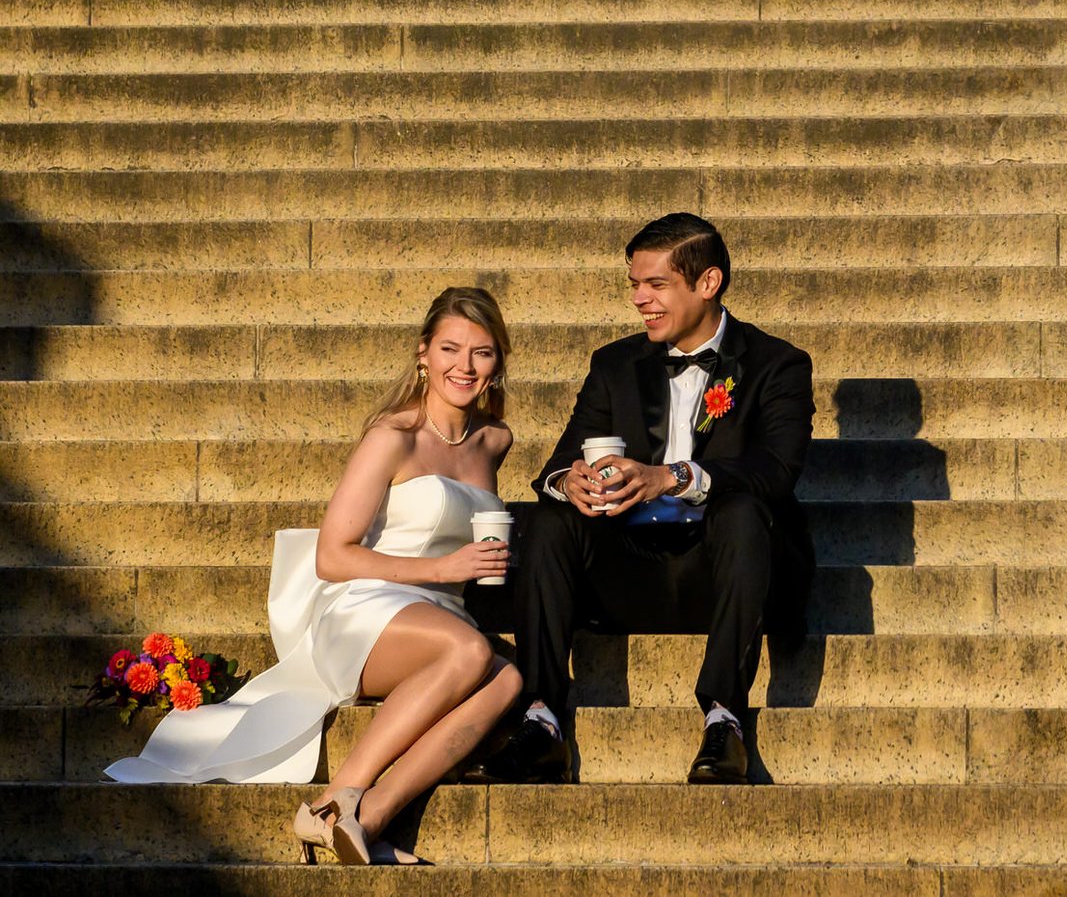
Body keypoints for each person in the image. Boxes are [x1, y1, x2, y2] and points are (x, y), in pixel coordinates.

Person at [107, 287, 523, 869]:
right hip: (367, 610)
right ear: (423, 354)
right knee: (472, 651)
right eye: (450, 349)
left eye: (481, 352)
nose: (465, 366)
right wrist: (440, 568)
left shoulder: (495, 440)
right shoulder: (392, 436)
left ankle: (369, 819)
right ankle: (335, 799)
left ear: (498, 361)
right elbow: (332, 556)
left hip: (442, 614)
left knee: (507, 681)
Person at [488, 212, 814, 785]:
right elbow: (555, 465)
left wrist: (673, 476)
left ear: (707, 282)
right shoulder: (615, 364)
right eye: (635, 284)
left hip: (730, 574)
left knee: (743, 512)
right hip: (629, 569)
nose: (640, 298)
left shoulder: (777, 364)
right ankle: (542, 721)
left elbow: (776, 471)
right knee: (548, 519)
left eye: (656, 284)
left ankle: (725, 719)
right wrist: (570, 481)